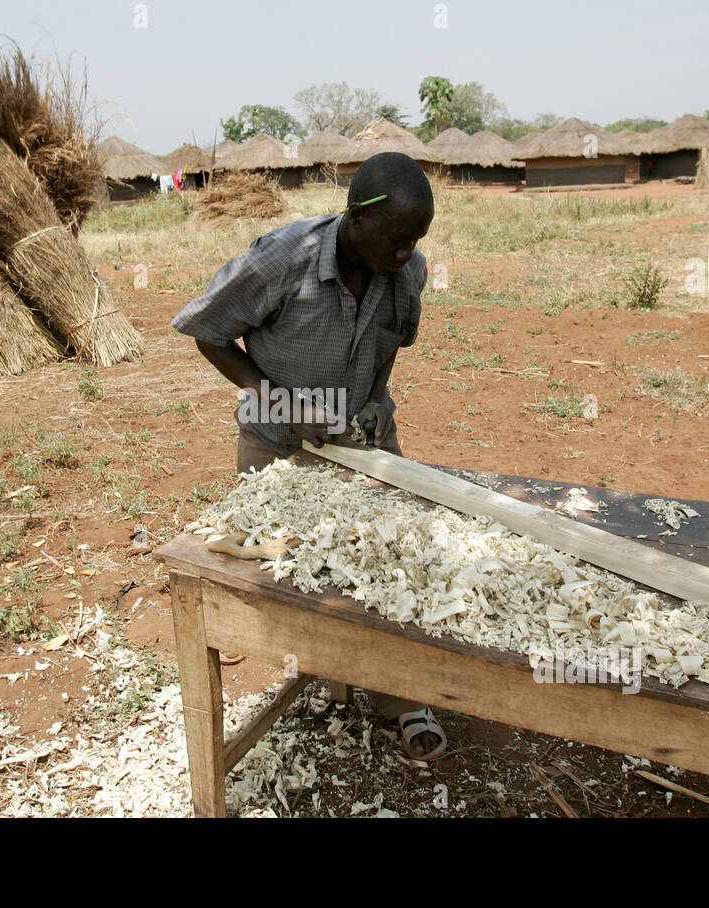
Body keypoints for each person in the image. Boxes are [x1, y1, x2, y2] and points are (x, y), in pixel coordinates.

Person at [170, 151, 446, 760]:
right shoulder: (283, 258)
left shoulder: (407, 271)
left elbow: (393, 339)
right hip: (276, 441)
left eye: (416, 242)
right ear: (356, 219)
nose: (407, 254)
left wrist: (372, 403)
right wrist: (277, 404)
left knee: (386, 561)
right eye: (398, 240)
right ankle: (320, 669)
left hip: (364, 438)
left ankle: (397, 694)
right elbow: (207, 330)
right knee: (288, 570)